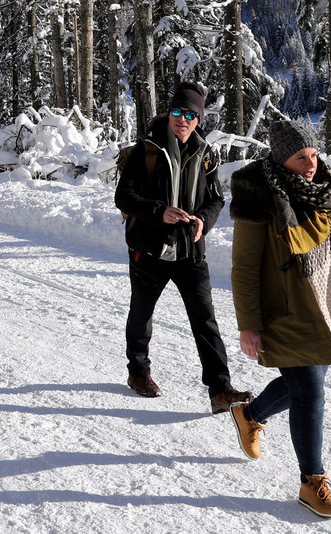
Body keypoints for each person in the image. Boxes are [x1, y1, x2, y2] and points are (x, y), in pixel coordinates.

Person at [227, 118, 331, 518]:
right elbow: (244, 268)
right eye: (301, 157)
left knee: (303, 383)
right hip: (284, 311)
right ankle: (311, 481)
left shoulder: (326, 189)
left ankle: (249, 414)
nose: (311, 163)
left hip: (325, 304)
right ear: (282, 160)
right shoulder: (257, 196)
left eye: (313, 154)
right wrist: (248, 324)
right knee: (310, 391)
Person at [113, 81, 250, 413]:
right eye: (177, 111)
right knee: (142, 315)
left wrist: (204, 218)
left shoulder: (206, 153)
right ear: (169, 112)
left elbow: (216, 199)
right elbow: (124, 197)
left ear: (199, 119)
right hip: (150, 251)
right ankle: (138, 373)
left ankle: (219, 389)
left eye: (190, 114)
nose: (182, 119)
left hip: (190, 252)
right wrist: (160, 212)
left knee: (205, 320)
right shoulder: (147, 150)